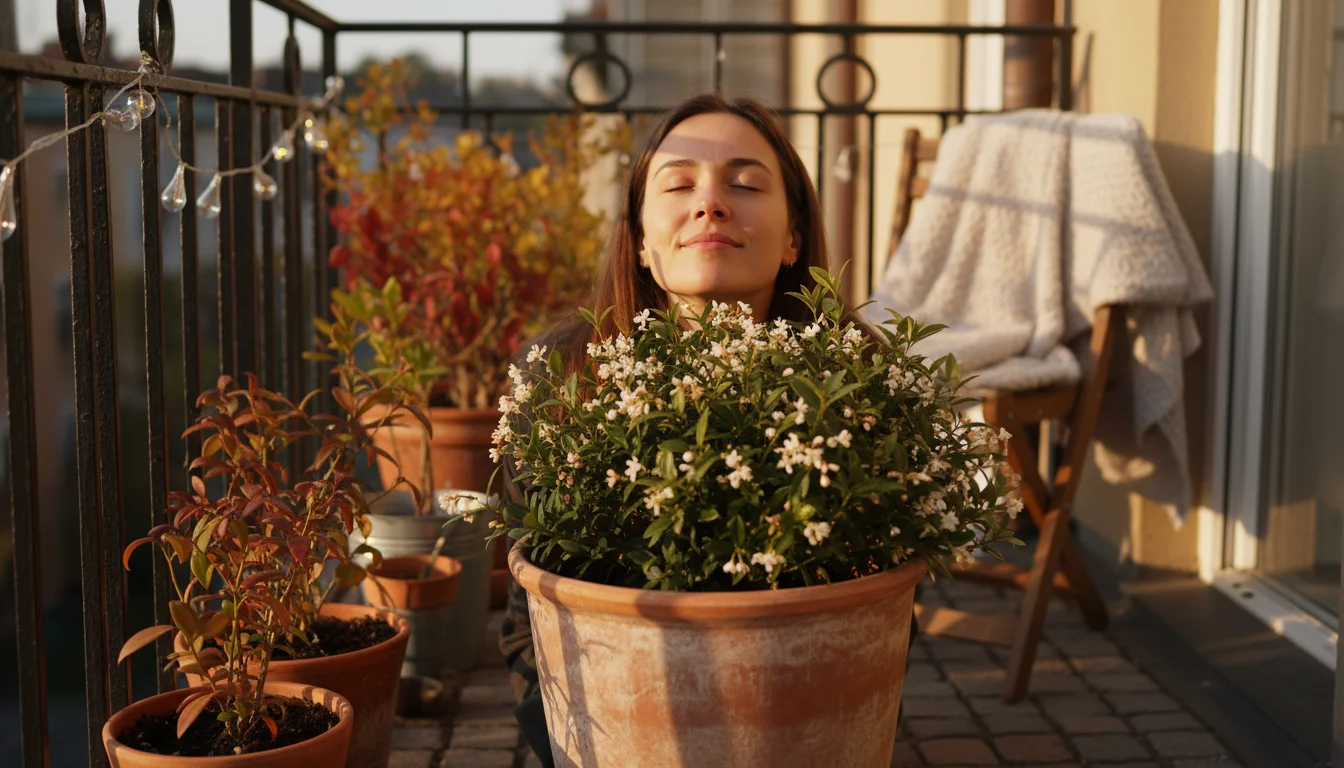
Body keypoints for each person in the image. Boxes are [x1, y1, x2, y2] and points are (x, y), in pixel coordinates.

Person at [495, 93, 899, 766]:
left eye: (745, 183)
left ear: (795, 235)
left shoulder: (857, 373)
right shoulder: (560, 375)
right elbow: (531, 618)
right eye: (678, 183)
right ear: (643, 241)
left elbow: (880, 612)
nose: (711, 203)